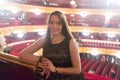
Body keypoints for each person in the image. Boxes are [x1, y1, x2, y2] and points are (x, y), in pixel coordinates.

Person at [19, 11, 85, 80]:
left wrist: (55, 69)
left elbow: (77, 70)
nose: (54, 26)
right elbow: (23, 54)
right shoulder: (44, 40)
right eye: (51, 22)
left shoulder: (71, 42)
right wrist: (42, 60)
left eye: (58, 23)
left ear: (63, 25)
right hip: (50, 77)